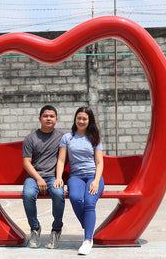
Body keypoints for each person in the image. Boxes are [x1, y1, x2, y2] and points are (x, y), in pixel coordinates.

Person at [54, 106, 104, 255]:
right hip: (76, 177)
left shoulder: (94, 138)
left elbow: (99, 162)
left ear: (90, 121)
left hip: (93, 176)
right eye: (79, 118)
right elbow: (61, 160)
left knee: (89, 202)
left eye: (84, 119)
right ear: (75, 119)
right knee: (75, 198)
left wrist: (96, 181)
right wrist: (58, 177)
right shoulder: (67, 138)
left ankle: (88, 240)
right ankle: (88, 225)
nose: (81, 121)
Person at [22, 105, 65, 249]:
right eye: (45, 116)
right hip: (34, 177)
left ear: (56, 119)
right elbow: (26, 163)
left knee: (59, 193)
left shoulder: (62, 137)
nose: (48, 119)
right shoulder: (30, 138)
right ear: (40, 118)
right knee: (27, 194)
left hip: (53, 177)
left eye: (52, 116)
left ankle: (56, 229)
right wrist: (39, 179)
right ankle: (35, 228)